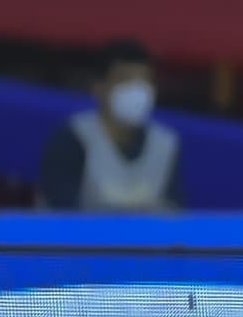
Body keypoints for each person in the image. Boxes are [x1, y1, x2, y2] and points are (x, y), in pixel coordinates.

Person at [38, 38, 185, 211]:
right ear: (99, 88)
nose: (137, 90)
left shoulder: (166, 144)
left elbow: (175, 216)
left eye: (145, 80)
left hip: (146, 238)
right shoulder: (72, 138)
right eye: (125, 80)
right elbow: (62, 217)